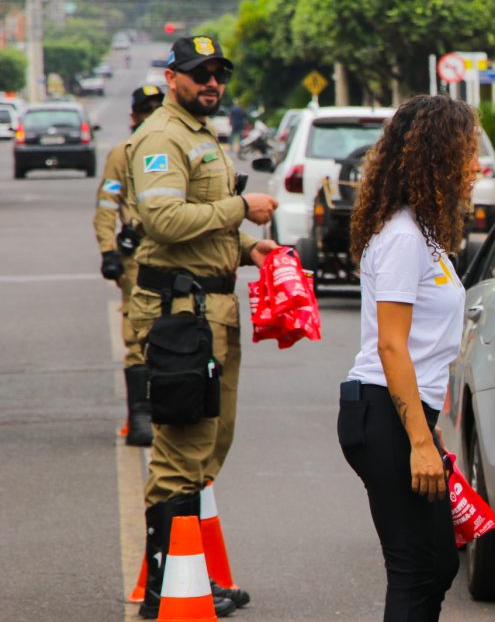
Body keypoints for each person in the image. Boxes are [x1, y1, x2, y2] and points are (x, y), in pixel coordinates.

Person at [125, 35, 278, 619]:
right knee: (181, 449)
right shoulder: (163, 136)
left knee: (210, 444)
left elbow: (203, 224)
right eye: (198, 73)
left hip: (210, 309)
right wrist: (243, 210)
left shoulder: (200, 132)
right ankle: (169, 589)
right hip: (180, 316)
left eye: (217, 74)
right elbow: (164, 221)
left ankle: (189, 576)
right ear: (172, 76)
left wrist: (249, 250)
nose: (211, 83)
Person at [339, 94, 481, 622]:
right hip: (381, 414)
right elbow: (391, 345)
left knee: (438, 563)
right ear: (438, 157)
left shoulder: (424, 233)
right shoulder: (403, 238)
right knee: (417, 568)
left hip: (401, 414)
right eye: (467, 152)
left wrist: (428, 430)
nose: (475, 165)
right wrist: (419, 441)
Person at [92, 84, 165, 447]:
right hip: (137, 257)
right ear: (133, 116)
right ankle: (140, 414)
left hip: (179, 252)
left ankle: (175, 407)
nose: (152, 115)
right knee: (139, 332)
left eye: (158, 108)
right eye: (146, 109)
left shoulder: (175, 146)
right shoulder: (123, 153)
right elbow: (107, 204)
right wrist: (108, 250)